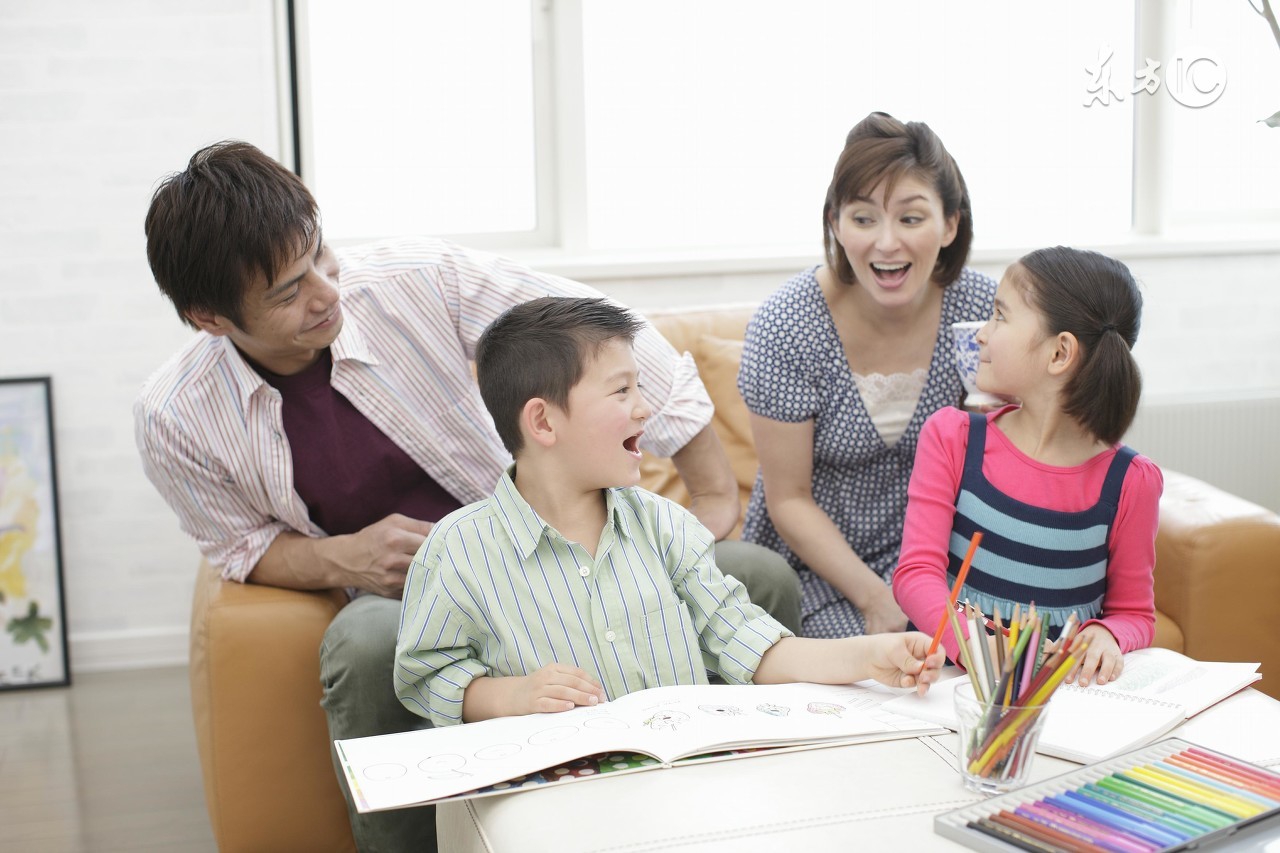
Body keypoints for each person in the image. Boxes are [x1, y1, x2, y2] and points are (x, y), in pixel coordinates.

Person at [134, 141, 800, 852]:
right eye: (288, 291)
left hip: (544, 552)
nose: (329, 292)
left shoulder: (420, 279)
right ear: (211, 317)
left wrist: (711, 490)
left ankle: (751, 816)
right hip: (406, 598)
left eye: (320, 258)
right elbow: (240, 546)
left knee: (754, 570)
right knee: (368, 642)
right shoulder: (177, 418)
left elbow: (597, 326)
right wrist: (343, 559)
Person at [395, 297, 945, 726]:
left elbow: (749, 644)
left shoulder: (666, 526)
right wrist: (510, 695)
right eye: (621, 391)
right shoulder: (458, 550)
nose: (644, 407)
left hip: (684, 780)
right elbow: (427, 676)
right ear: (542, 423)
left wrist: (868, 658)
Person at [737, 112, 997, 638]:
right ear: (835, 222)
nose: (886, 243)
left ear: (950, 224)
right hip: (817, 573)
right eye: (863, 219)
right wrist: (880, 601)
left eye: (910, 218)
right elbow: (789, 499)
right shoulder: (787, 324)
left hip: (940, 563)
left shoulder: (984, 313)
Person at [893, 246, 1162, 689]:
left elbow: (1134, 614)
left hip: (1056, 705)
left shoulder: (1131, 482)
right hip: (946, 687)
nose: (982, 334)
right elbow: (915, 574)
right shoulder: (953, 438)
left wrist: (1107, 633)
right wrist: (979, 650)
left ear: (1059, 354)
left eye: (999, 316)